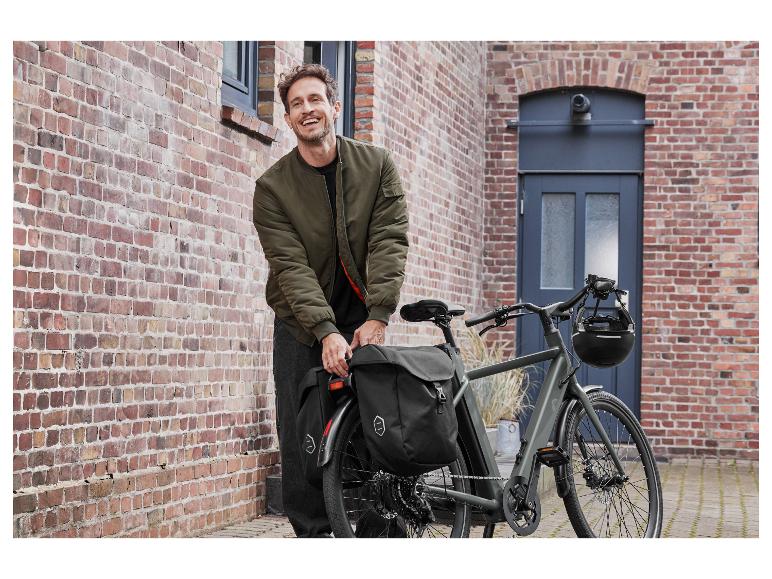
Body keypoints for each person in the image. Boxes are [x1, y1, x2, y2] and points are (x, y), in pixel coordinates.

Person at [252, 63, 409, 537]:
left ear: (334, 106)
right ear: (287, 118)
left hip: (363, 318)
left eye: (315, 99)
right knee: (301, 431)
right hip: (302, 324)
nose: (307, 110)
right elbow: (291, 268)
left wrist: (379, 314)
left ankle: (379, 526)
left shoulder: (376, 165)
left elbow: (389, 239)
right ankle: (315, 536)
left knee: (377, 425)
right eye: (296, 104)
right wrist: (324, 332)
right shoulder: (272, 189)